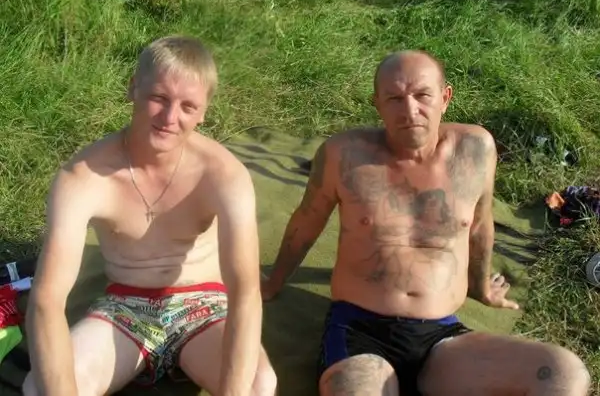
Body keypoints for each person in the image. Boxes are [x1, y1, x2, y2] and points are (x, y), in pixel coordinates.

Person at [261, 50, 591, 396]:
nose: (409, 110)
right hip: (360, 332)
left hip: (442, 338)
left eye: (422, 95)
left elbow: (479, 224)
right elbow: (307, 220)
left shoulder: (475, 150)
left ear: (445, 98)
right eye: (394, 98)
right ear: (377, 104)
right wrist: (273, 282)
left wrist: (480, 286)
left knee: (564, 373)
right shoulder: (343, 154)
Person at [23, 36, 277, 396]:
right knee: (40, 388)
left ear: (204, 112)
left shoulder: (222, 174)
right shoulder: (83, 177)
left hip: (204, 306)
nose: (170, 118)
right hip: (126, 307)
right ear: (133, 89)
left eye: (188, 106)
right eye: (159, 98)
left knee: (258, 385)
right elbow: (47, 299)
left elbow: (245, 291)